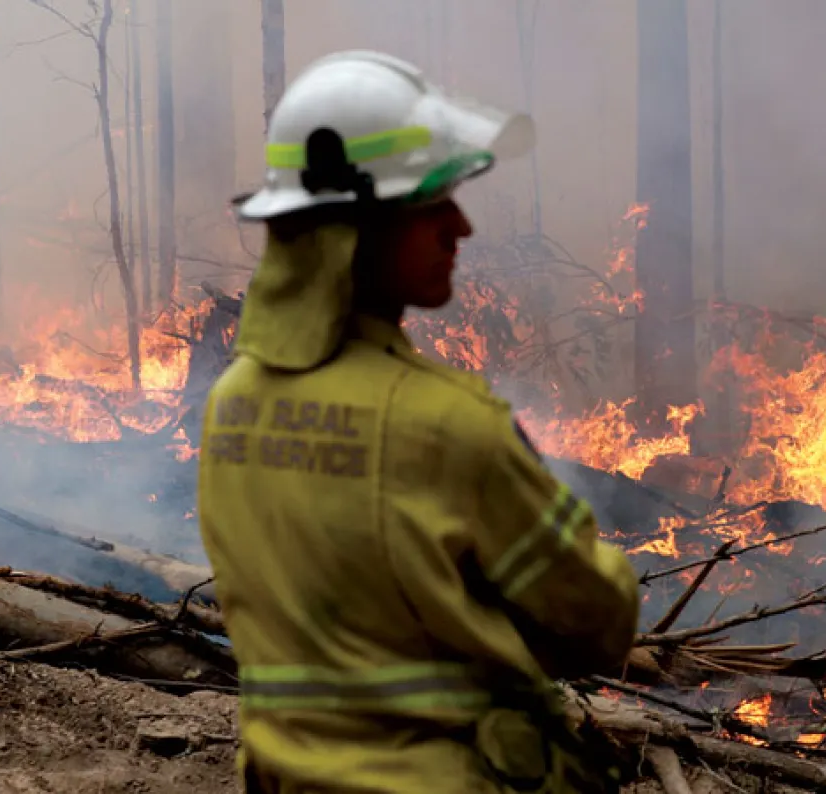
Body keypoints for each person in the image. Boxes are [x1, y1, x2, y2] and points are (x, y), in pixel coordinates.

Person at [196, 50, 641, 794]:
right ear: (355, 230)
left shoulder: (231, 402)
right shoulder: (448, 424)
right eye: (432, 202)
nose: (460, 225)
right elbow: (597, 623)